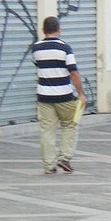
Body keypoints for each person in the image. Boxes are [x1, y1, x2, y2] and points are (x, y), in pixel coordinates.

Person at [31, 16, 86, 174]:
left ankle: (49, 166)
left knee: (47, 130)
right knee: (70, 124)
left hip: (44, 97)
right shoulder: (65, 48)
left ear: (43, 30)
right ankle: (65, 157)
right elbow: (73, 73)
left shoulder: (35, 48)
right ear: (59, 30)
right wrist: (81, 93)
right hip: (64, 96)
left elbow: (38, 66)